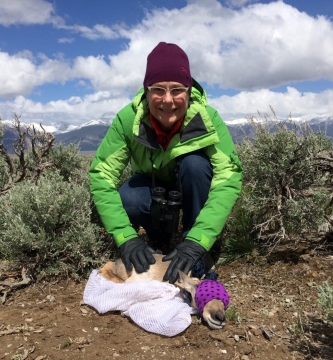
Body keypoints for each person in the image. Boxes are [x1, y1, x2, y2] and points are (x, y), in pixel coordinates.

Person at [89, 42, 242, 284]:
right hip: (153, 192)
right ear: (146, 92)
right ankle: (157, 240)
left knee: (195, 164)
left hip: (190, 186)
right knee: (129, 195)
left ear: (189, 91)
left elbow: (228, 178)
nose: (168, 100)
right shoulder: (128, 120)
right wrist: (125, 237)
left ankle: (195, 248)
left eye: (177, 89)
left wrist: (197, 240)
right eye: (158, 89)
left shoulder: (208, 120)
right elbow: (101, 175)